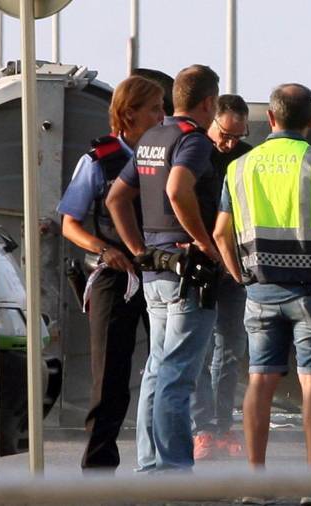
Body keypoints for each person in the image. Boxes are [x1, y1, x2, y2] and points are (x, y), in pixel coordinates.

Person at [214, 83, 311, 506]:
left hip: (261, 291)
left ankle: (255, 484)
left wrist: (239, 275)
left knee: (260, 380)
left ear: (272, 119)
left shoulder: (240, 166)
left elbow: (221, 233)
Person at [106, 64, 222, 472]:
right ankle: (174, 470)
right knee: (177, 374)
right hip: (187, 274)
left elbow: (116, 199)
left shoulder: (152, 137)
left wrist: (139, 247)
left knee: (156, 369)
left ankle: (151, 464)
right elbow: (177, 189)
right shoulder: (193, 140)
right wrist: (206, 244)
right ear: (209, 103)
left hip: (154, 270)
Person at [56, 75, 165, 471]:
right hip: (113, 277)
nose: (162, 115)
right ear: (128, 113)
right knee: (111, 377)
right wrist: (105, 249)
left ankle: (162, 462)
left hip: (160, 273)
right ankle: (99, 468)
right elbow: (70, 223)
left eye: (163, 107)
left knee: (167, 368)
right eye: (154, 109)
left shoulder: (166, 155)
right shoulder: (98, 160)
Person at [190, 95, 253, 460]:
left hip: (234, 265)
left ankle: (224, 424)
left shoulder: (246, 156)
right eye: (224, 135)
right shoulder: (195, 150)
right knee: (199, 348)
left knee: (231, 347)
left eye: (236, 136)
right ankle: (203, 429)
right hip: (200, 260)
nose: (228, 143)